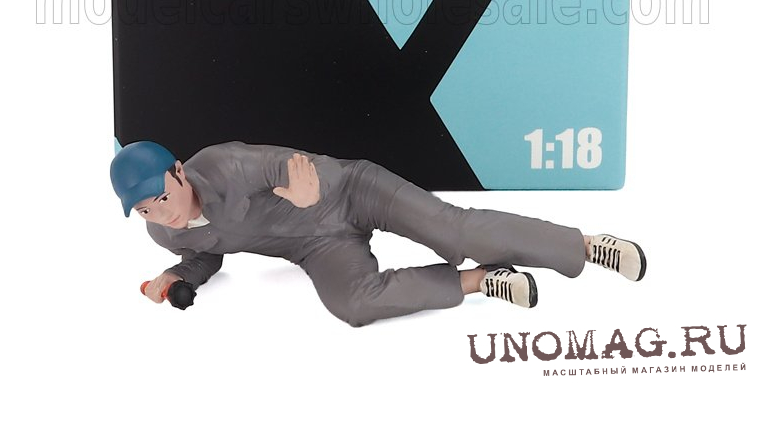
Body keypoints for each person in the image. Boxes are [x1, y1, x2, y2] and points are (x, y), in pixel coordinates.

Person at [110, 140, 646, 327]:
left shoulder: (224, 164)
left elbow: (287, 167)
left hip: (351, 190)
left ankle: (585, 247)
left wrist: (304, 192)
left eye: (162, 196)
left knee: (456, 230)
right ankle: (483, 281)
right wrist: (176, 275)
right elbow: (206, 253)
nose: (161, 213)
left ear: (178, 172)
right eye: (145, 209)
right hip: (316, 246)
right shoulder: (166, 234)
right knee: (352, 304)